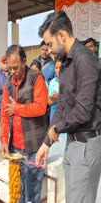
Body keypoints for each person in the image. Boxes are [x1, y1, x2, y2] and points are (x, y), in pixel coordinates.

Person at [35, 10, 101, 203]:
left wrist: (56, 128)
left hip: (87, 144)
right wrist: (47, 141)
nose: (48, 49)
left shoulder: (85, 61)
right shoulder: (65, 63)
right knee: (71, 198)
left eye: (49, 43)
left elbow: (82, 112)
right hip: (72, 142)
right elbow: (62, 104)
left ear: (62, 36)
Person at [0, 45, 48, 202]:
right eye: (10, 68)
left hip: (34, 147)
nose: (13, 71)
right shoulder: (8, 83)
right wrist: (3, 140)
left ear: (24, 61)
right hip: (15, 146)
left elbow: (40, 108)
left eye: (16, 67)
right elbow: (5, 114)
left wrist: (17, 108)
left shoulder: (36, 78)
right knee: (17, 189)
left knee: (32, 193)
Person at [47, 57, 62, 122]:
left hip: (65, 115)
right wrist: (53, 100)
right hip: (54, 115)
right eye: (56, 68)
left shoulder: (69, 81)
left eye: (60, 67)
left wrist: (58, 97)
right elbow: (49, 102)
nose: (58, 70)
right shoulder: (52, 82)